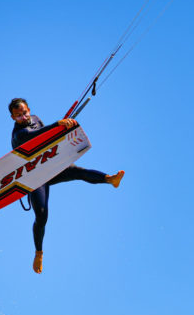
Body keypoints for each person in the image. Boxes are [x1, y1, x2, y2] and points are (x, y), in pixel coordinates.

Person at [9, 98, 124, 274]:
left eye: (25, 112)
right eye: (18, 116)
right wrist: (57, 124)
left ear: (29, 110)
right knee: (41, 215)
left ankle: (110, 179)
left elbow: (49, 138)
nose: (23, 117)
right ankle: (39, 253)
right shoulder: (19, 134)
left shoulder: (36, 119)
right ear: (12, 117)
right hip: (35, 177)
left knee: (78, 172)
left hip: (49, 166)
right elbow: (37, 136)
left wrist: (63, 128)